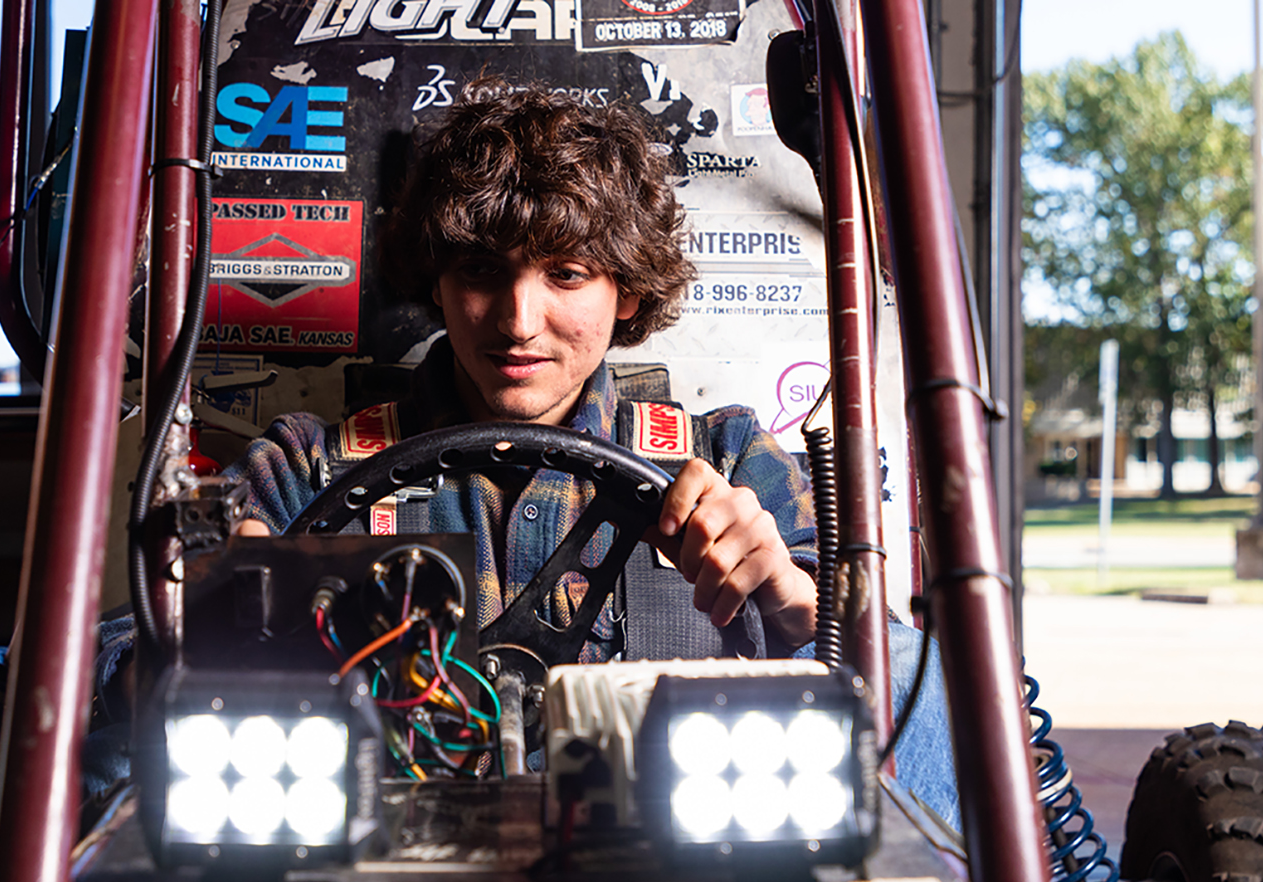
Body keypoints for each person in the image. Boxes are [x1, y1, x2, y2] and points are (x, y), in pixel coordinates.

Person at [224, 78, 957, 827]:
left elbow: (877, 671)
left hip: (674, 862)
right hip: (378, 861)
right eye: (480, 270)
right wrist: (212, 607)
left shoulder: (728, 458)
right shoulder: (305, 468)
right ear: (437, 284)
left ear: (628, 291)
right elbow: (132, 654)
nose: (517, 321)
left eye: (565, 273)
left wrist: (784, 594)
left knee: (914, 671)